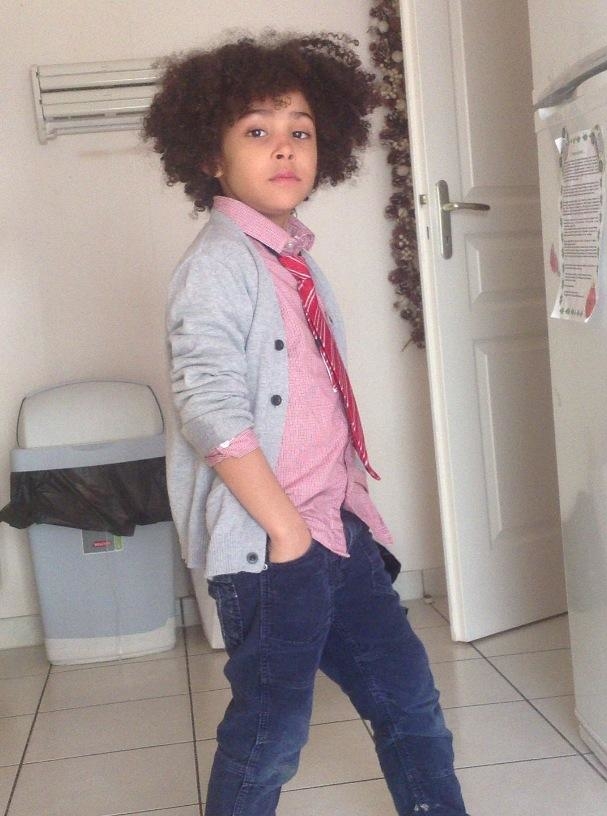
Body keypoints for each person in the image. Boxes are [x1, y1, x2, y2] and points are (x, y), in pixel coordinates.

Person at [144, 31, 469, 816]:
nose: (285, 147)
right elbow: (209, 406)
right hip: (274, 547)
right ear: (212, 156)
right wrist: (287, 533)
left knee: (408, 697)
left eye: (302, 130)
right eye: (258, 130)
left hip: (337, 528)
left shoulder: (293, 258)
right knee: (271, 734)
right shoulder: (219, 264)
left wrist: (338, 505)